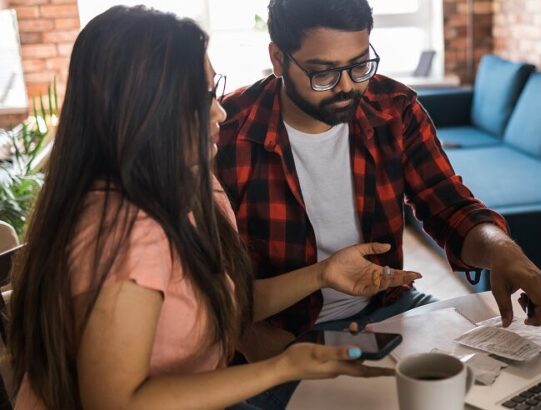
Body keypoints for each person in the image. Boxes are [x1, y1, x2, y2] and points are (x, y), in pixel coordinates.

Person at [8, 6, 419, 409]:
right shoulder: (126, 230)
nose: (220, 111)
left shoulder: (197, 187)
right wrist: (279, 368)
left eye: (214, 90)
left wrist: (322, 274)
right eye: (203, 97)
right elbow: (116, 401)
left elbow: (226, 304)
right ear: (146, 109)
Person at [217, 0, 541, 355]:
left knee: (497, 369)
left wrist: (501, 250)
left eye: (360, 65)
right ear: (278, 59)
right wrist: (249, 337)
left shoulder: (394, 108)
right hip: (279, 330)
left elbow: (447, 206)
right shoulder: (226, 133)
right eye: (324, 73)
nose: (347, 87)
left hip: (389, 307)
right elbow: (205, 279)